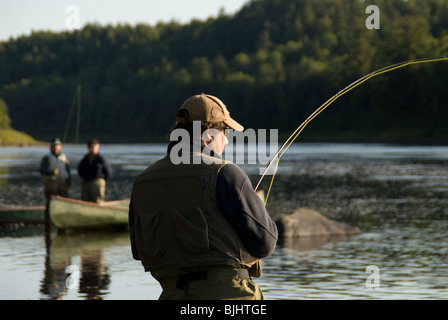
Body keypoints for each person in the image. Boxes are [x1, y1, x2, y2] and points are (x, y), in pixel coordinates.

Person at [129, 93, 278, 300]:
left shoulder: (142, 182)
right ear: (209, 135)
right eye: (224, 131)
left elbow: (138, 252)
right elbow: (265, 243)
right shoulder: (224, 172)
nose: (226, 140)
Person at [78, 138, 112, 203]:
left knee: (98, 201)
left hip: (97, 183)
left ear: (97, 147)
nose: (91, 149)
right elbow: (80, 170)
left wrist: (102, 180)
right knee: (84, 201)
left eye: (93, 147)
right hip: (86, 182)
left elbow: (108, 171)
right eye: (90, 147)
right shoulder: (85, 159)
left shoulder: (101, 159)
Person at [39, 138, 72, 204]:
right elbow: (42, 170)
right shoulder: (47, 158)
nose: (55, 148)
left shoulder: (64, 157)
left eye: (57, 146)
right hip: (51, 184)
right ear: (51, 147)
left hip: (62, 184)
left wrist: (69, 183)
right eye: (53, 146)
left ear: (60, 147)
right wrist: (51, 172)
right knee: (50, 202)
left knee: (64, 201)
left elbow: (68, 171)